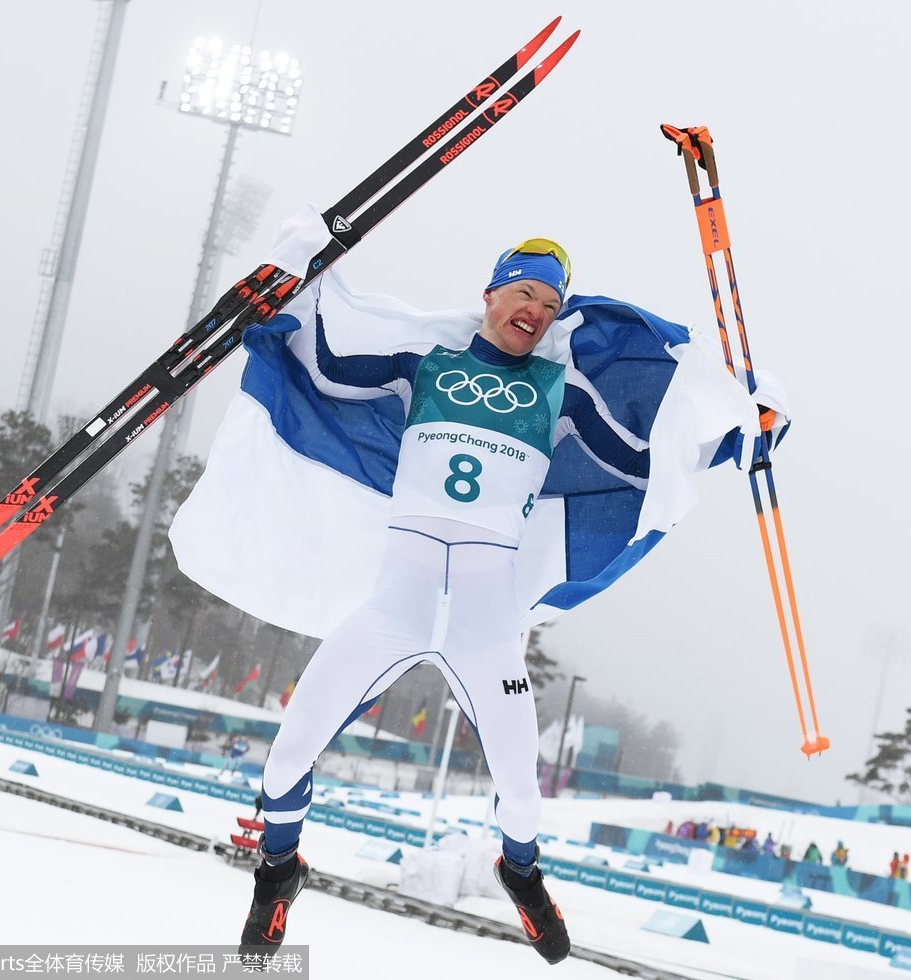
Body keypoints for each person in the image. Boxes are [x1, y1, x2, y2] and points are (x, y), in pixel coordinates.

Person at [170, 212, 786, 964]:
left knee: (521, 791)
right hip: (396, 609)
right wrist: (293, 278)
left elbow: (651, 434)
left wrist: (743, 423)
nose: (537, 311)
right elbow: (326, 361)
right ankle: (279, 872)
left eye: (551, 306)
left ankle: (518, 872)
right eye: (525, 292)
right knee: (287, 755)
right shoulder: (427, 359)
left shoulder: (560, 389)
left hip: (485, 627)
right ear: (490, 294)